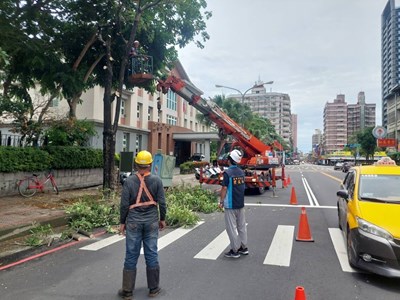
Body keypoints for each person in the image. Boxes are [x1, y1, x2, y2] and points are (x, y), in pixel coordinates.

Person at [118, 150, 167, 299]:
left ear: (136, 164)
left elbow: (124, 204)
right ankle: (153, 289)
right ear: (150, 164)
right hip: (151, 221)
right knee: (151, 253)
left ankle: (127, 291)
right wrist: (162, 219)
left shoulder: (129, 181)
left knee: (131, 255)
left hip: (133, 222)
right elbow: (162, 203)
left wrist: (122, 222)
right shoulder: (157, 181)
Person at [218, 149, 248, 258]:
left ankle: (235, 250)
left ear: (230, 160)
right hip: (240, 203)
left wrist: (221, 201)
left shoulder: (227, 173)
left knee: (231, 228)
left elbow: (225, 188)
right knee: (241, 227)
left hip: (230, 205)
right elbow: (237, 186)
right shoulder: (241, 172)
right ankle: (244, 248)